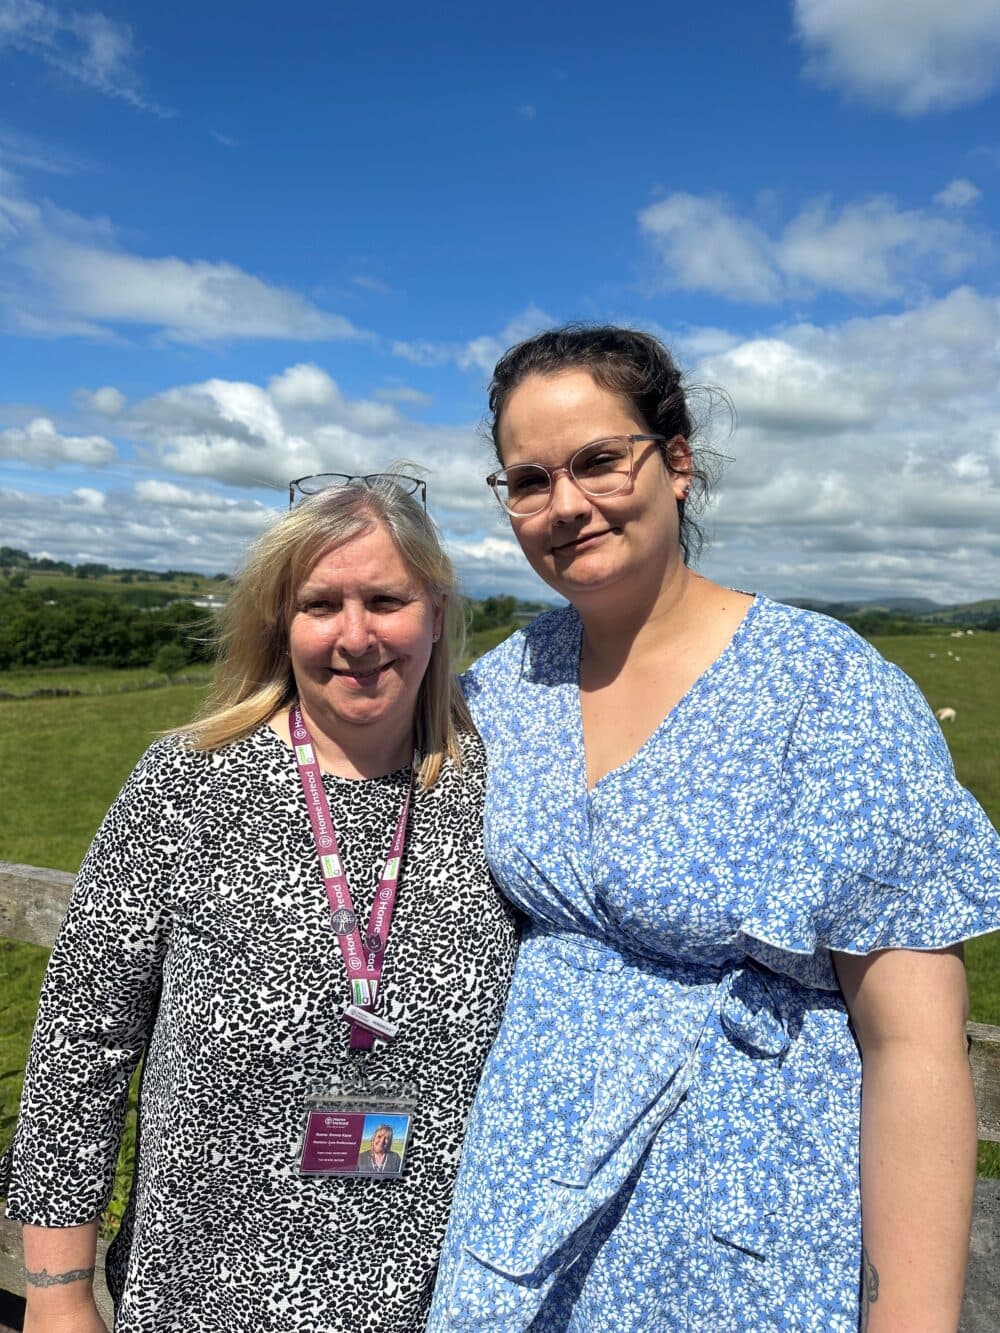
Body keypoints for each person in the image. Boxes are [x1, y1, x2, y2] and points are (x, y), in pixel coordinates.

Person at [427, 326, 1000, 1332]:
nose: (565, 504)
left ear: (677, 462)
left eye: (599, 460)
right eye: (528, 479)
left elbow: (913, 1043)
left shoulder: (826, 690)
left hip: (742, 1226)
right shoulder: (507, 687)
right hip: (523, 1200)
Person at [1, 472, 518, 1333]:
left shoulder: (495, 787)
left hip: (438, 1306)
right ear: (281, 622)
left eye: (386, 598)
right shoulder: (186, 781)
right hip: (199, 1300)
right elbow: (80, 1040)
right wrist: (56, 1289)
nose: (356, 636)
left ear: (435, 608)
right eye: (321, 604)